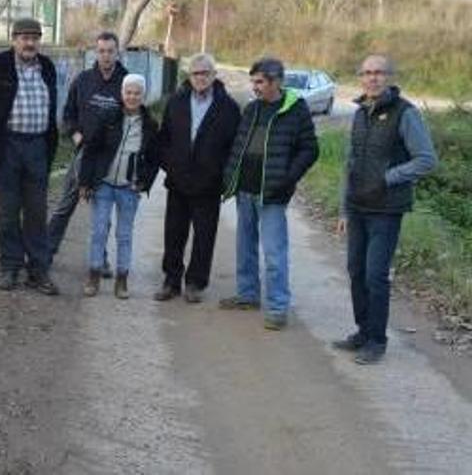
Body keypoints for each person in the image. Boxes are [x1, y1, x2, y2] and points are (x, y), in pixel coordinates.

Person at [332, 55, 438, 364]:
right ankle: (363, 332)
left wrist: (388, 178)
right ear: (360, 78)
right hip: (357, 207)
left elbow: (426, 159)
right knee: (356, 271)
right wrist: (343, 209)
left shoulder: (406, 114)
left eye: (379, 73)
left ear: (390, 77)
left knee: (375, 275)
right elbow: (349, 165)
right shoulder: (360, 113)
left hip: (386, 210)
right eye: (367, 73)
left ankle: (377, 341)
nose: (372, 78)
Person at [220, 57, 319, 330]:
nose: (255, 87)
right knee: (245, 247)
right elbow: (239, 145)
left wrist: (287, 180)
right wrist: (231, 179)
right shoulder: (252, 109)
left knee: (274, 252)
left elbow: (310, 149)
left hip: (272, 194)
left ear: (276, 81)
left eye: (260, 82)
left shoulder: (296, 110)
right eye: (253, 81)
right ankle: (248, 295)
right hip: (245, 190)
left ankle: (277, 307)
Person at [0, 18, 59, 295]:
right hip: (7, 147)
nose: (30, 43)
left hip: (38, 147)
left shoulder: (47, 67)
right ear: (13, 39)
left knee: (37, 212)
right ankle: (10, 268)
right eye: (24, 37)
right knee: (7, 212)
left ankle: (38, 271)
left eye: (34, 37)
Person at [154, 53, 241, 303]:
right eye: (196, 73)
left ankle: (195, 283)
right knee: (173, 234)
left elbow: (234, 147)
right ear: (189, 76)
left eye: (205, 73)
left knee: (204, 236)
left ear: (214, 75)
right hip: (178, 182)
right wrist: (170, 165)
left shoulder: (228, 108)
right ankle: (171, 281)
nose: (200, 78)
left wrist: (221, 174)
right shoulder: (176, 102)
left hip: (208, 185)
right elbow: (164, 139)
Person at [47, 31, 128, 278]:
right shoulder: (83, 80)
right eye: (101, 51)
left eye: (110, 51)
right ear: (96, 52)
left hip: (110, 159)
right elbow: (68, 115)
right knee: (64, 206)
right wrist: (75, 136)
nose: (105, 56)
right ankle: (46, 253)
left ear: (117, 52)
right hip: (83, 155)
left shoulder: (126, 82)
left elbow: (134, 114)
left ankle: (101, 260)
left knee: (101, 212)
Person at [78, 74, 159, 299]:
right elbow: (91, 149)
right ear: (122, 94)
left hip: (128, 188)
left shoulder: (150, 125)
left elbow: (154, 159)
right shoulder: (108, 117)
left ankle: (122, 280)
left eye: (137, 93)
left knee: (124, 235)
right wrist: (85, 182)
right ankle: (93, 276)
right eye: (128, 92)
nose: (132, 97)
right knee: (99, 231)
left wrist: (143, 182)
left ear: (143, 95)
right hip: (103, 184)